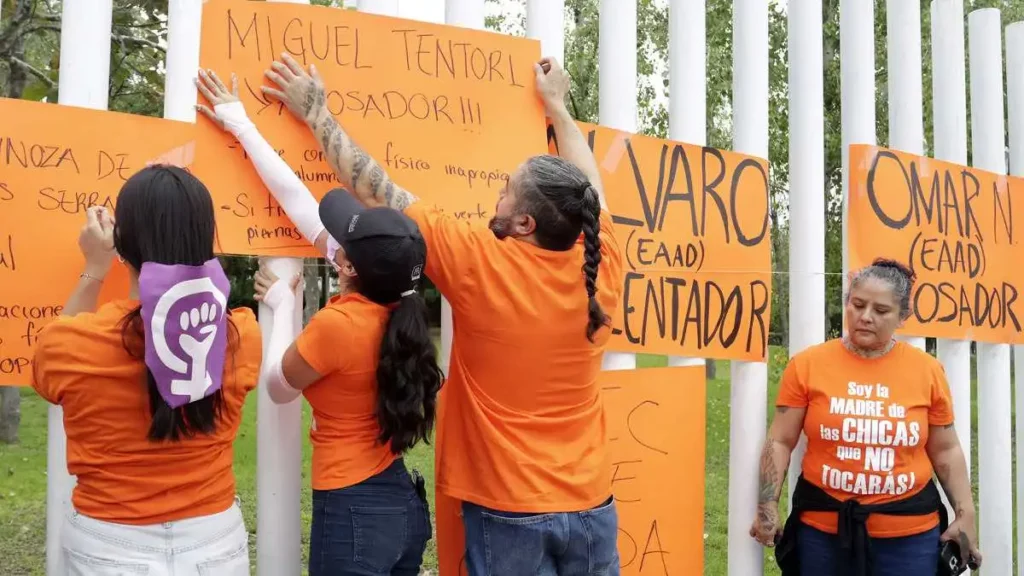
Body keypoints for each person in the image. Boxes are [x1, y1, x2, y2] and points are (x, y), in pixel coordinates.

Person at [256, 52, 624, 575]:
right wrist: (558, 109)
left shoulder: (478, 261)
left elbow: (374, 190)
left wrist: (317, 113)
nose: (493, 196)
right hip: (592, 503)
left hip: (509, 507)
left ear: (523, 223)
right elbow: (592, 188)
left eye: (504, 192)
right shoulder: (603, 258)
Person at [197, 69, 439, 576]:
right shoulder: (397, 299)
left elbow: (279, 386)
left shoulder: (341, 326)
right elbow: (298, 200)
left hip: (354, 512)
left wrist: (285, 307)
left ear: (347, 266)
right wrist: (240, 122)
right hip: (400, 505)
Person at [31, 167, 263, 575]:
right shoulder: (241, 334)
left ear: (123, 241)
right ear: (206, 237)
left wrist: (95, 270)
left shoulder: (72, 343)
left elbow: (46, 371)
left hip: (106, 543)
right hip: (213, 541)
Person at [749, 258, 981, 576]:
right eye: (857, 305)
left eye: (881, 310)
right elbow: (780, 441)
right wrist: (767, 504)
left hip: (910, 540)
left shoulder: (927, 371)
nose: (865, 317)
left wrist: (965, 513)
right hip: (822, 534)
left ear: (902, 316)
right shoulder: (807, 365)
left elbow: (946, 450)